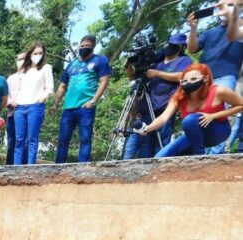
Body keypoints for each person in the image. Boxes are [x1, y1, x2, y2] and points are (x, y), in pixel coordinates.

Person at [139, 63, 243, 156]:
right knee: (160, 157)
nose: (188, 83)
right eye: (184, 81)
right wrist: (147, 128)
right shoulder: (179, 97)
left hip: (218, 130)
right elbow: (163, 117)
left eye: (193, 79)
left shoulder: (218, 91)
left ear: (205, 78)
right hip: (194, 134)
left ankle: (199, 156)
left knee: (190, 120)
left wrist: (213, 116)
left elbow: (241, 105)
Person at [123, 34, 193, 159]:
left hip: (166, 106)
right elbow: (132, 76)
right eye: (169, 43)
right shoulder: (156, 61)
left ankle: (159, 166)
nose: (169, 47)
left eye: (174, 45)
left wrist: (157, 74)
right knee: (145, 141)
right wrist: (132, 65)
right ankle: (144, 167)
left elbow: (183, 76)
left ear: (181, 47)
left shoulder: (184, 60)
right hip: (148, 106)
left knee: (161, 141)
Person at [187, 0, 243, 153]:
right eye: (220, 5)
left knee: (220, 115)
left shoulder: (239, 26)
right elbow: (192, 48)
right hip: (203, 79)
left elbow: (233, 34)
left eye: (228, 4)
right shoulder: (210, 32)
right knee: (200, 117)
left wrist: (234, 12)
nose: (222, 7)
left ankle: (216, 155)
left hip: (226, 75)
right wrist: (193, 28)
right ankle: (202, 155)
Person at [52, 35, 112, 163]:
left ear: (93, 47)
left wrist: (93, 101)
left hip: (86, 107)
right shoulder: (72, 64)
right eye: (82, 46)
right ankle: (58, 167)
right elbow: (62, 86)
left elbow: (104, 81)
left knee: (85, 138)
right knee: (63, 139)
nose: (84, 48)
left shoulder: (99, 60)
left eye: (87, 46)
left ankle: (83, 166)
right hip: (68, 107)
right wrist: (55, 104)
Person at [12, 42, 54, 164]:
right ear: (30, 54)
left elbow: (49, 87)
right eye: (35, 53)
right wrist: (14, 101)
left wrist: (42, 99)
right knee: (19, 139)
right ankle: (16, 168)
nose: (38, 56)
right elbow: (17, 86)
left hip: (35, 106)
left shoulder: (46, 68)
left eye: (40, 53)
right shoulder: (23, 69)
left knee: (32, 139)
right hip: (20, 107)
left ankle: (31, 167)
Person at [5, 53, 24, 165]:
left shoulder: (33, 78)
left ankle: (26, 167)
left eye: (24, 59)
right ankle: (10, 168)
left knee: (26, 142)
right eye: (19, 59)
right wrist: (11, 102)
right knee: (12, 142)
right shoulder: (11, 79)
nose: (21, 61)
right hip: (12, 114)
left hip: (27, 115)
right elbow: (5, 96)